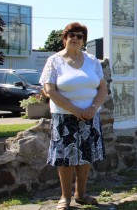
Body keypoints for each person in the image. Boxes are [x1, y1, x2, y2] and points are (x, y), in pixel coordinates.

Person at [40, 22, 108, 209]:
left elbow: (103, 88)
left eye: (80, 36)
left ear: (84, 40)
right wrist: (75, 110)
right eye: (72, 35)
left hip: (89, 116)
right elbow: (49, 90)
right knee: (66, 159)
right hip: (64, 117)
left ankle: (82, 194)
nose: (76, 38)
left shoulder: (92, 61)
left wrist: (93, 107)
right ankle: (65, 197)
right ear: (65, 38)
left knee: (86, 157)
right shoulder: (54, 61)